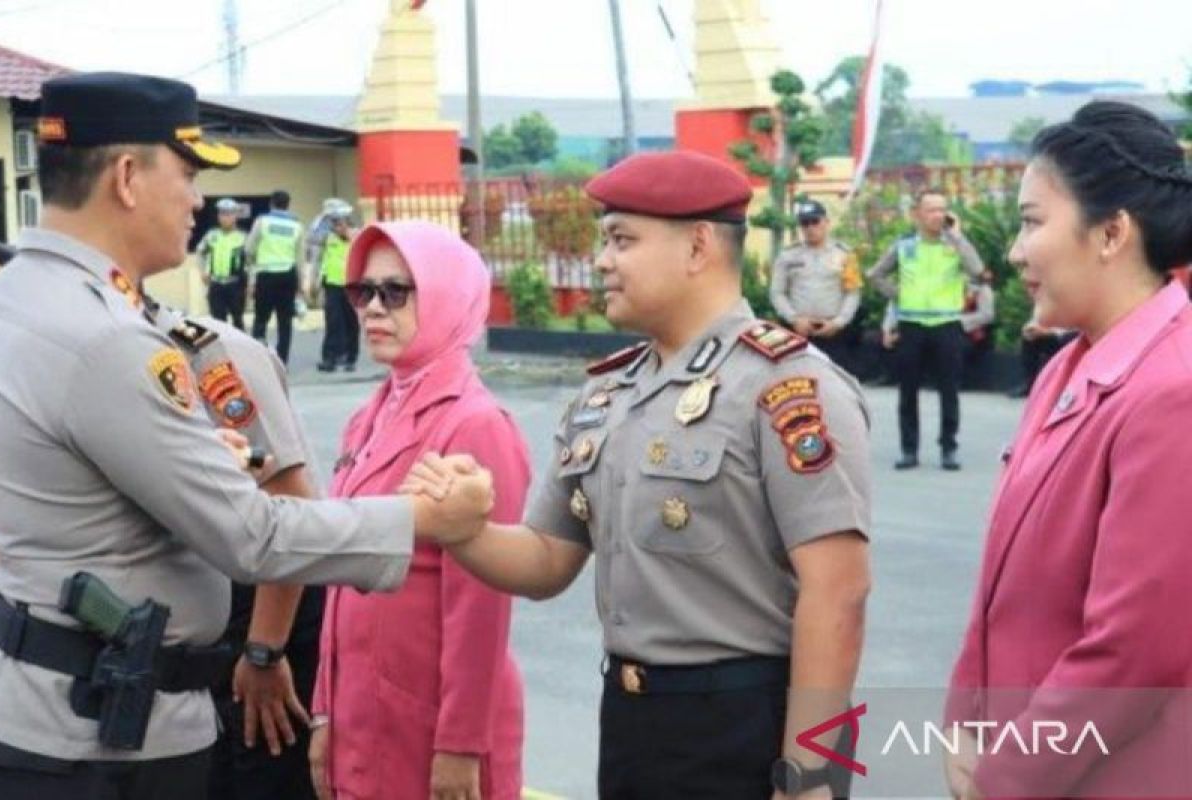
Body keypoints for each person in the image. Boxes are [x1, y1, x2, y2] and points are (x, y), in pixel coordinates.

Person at [0, 71, 493, 800]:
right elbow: (253, 537)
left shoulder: (15, 300)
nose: (197, 200)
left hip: (32, 707)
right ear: (129, 177)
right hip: (97, 748)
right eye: (188, 174)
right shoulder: (109, 341)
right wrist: (424, 518)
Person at [403, 151, 872, 800]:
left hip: (746, 723)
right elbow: (545, 560)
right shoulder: (608, 396)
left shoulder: (788, 385)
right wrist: (464, 528)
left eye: (622, 240)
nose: (602, 261)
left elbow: (838, 592)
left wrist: (810, 772)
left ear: (699, 246)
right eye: (603, 242)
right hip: (631, 722)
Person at [945, 101, 1192, 799]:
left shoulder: (1173, 390)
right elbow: (1003, 588)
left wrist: (1008, 774)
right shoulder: (1068, 366)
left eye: (1031, 222)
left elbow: (1136, 651)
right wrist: (966, 717)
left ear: (1112, 232)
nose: (1015, 250)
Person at [310, 221, 529, 800]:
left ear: (448, 297)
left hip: (431, 725)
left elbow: (481, 608)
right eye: (363, 292)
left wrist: (460, 745)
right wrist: (324, 711)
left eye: (396, 292)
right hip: (361, 713)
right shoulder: (370, 415)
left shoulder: (473, 423)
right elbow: (341, 580)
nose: (373, 309)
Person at [142, 300, 325, 800]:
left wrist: (265, 652)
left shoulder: (208, 358)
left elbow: (290, 511)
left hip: (265, 603)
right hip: (187, 614)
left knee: (258, 770)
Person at [868, 189, 985, 471]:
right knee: (908, 390)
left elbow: (977, 269)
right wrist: (899, 294)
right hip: (912, 325)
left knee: (949, 390)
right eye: (931, 209)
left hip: (947, 324)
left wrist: (957, 236)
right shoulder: (904, 246)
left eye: (942, 208)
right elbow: (875, 274)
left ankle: (948, 448)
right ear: (917, 214)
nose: (938, 215)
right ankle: (909, 450)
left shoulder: (954, 245)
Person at [769, 198, 864, 373]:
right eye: (805, 223)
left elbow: (852, 293)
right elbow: (777, 293)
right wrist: (794, 319)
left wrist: (839, 322)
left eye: (815, 221)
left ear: (826, 222)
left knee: (835, 386)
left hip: (832, 331)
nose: (810, 228)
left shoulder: (844, 254)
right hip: (798, 330)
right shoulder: (788, 255)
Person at [248, 189, 303, 363]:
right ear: (288, 205)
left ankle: (258, 358)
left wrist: (253, 270)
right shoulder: (297, 226)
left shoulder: (262, 222)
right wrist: (300, 285)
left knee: (261, 318)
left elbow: (249, 249)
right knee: (285, 321)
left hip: (266, 275)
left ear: (271, 203)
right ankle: (282, 361)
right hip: (288, 275)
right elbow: (300, 258)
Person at [314, 204, 360, 373]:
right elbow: (313, 237)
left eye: (341, 224)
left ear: (348, 223)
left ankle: (350, 357)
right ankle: (330, 358)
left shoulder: (357, 236)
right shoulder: (328, 238)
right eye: (335, 224)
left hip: (352, 284)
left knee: (351, 322)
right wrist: (323, 216)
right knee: (333, 321)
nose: (338, 228)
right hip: (332, 283)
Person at [196, 197, 248, 330]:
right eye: (222, 214)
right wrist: (203, 271)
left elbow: (251, 261)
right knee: (218, 323)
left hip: (235, 284)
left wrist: (251, 282)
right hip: (216, 284)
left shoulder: (243, 237)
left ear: (235, 216)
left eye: (228, 214)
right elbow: (200, 252)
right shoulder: (212, 235)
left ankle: (240, 348)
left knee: (238, 321)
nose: (224, 218)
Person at [1006, 307, 1071, 398]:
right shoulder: (1045, 299)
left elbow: (1075, 328)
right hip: (1050, 334)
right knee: (1029, 339)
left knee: (1067, 338)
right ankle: (1030, 384)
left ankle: (1059, 386)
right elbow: (1036, 320)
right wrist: (1030, 329)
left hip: (1069, 336)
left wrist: (1050, 332)